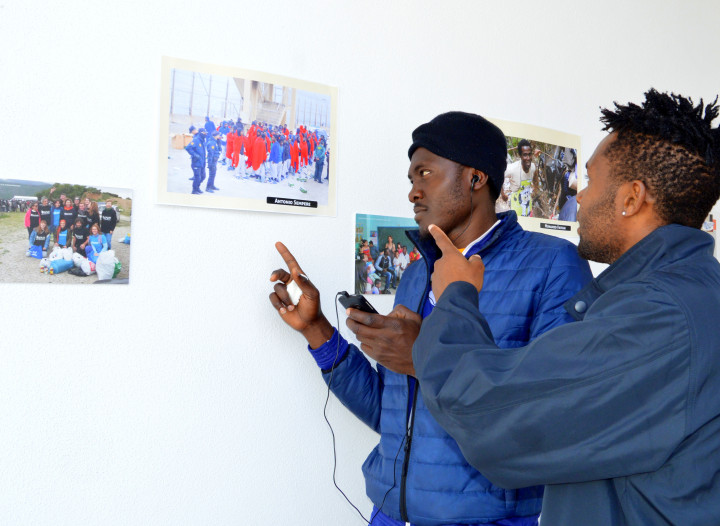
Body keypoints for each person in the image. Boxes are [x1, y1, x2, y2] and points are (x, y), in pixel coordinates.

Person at [410, 90, 720, 525]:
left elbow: (491, 417)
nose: (581, 196)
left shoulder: (660, 317)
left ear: (632, 198)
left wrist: (455, 298)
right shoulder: (687, 293)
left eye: (590, 180)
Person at [268, 111, 592, 526]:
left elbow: (552, 419)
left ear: (475, 178)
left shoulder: (553, 264)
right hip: (390, 513)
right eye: (411, 179)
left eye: (425, 174)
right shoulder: (418, 273)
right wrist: (317, 331)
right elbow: (388, 411)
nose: (413, 193)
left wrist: (426, 359)